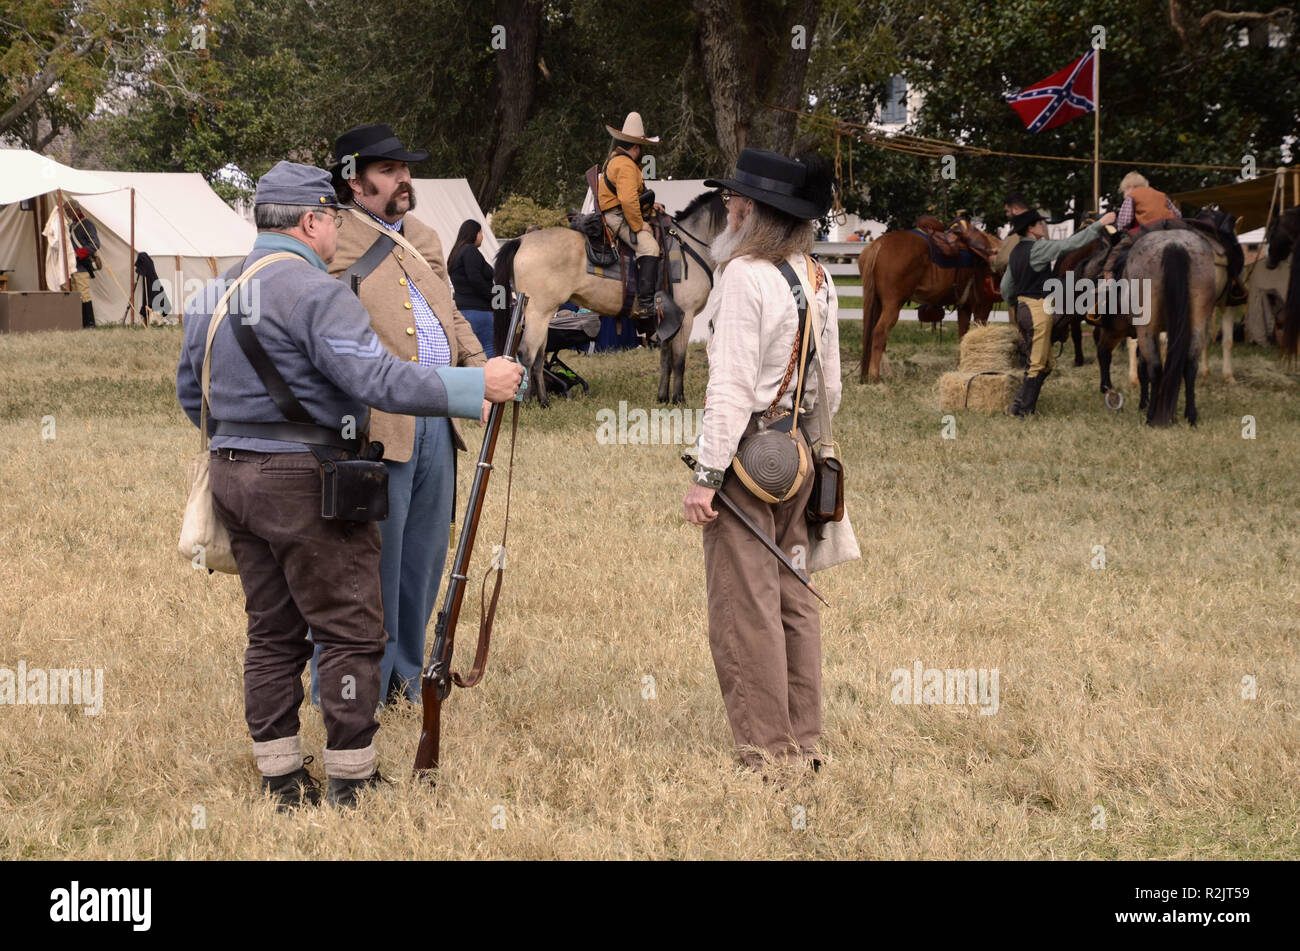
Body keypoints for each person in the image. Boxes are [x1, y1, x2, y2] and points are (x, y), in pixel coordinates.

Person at [175, 161, 523, 808]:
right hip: (307, 480)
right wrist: (476, 385)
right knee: (349, 630)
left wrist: (248, 440)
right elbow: (379, 382)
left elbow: (191, 394)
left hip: (232, 475)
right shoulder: (316, 292)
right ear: (311, 220)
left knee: (273, 630)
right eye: (332, 218)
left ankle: (280, 774)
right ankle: (351, 777)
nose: (337, 229)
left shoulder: (214, 292)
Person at [317, 123, 491, 708]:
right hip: (372, 426)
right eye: (389, 170)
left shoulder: (422, 236)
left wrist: (481, 369)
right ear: (353, 178)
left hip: (439, 418)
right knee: (371, 566)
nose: (404, 179)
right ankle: (356, 680)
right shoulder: (329, 238)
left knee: (422, 558)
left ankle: (407, 678)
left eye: (405, 169)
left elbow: (450, 315)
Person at [683, 149, 841, 773]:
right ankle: (804, 741)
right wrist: (813, 445)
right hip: (799, 452)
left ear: (755, 212)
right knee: (792, 600)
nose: (727, 205)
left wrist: (706, 476)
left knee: (746, 606)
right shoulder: (815, 274)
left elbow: (729, 389)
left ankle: (768, 752)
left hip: (749, 459)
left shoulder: (746, 275)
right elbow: (830, 383)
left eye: (734, 199)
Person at [1001, 207, 1115, 416]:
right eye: (1039, 223)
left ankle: (1019, 406)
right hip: (1037, 311)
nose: (1043, 226)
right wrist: (1100, 224)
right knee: (1037, 364)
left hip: (1023, 310)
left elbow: (1006, 288)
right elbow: (1070, 244)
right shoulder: (1038, 249)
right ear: (1030, 228)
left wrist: (1016, 304)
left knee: (1046, 363)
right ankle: (1022, 411)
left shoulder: (1015, 252)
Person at [596, 112, 662, 328]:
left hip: (619, 212)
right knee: (650, 247)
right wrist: (639, 224)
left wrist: (652, 206)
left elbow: (633, 195)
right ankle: (645, 306)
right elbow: (627, 200)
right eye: (642, 148)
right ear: (636, 147)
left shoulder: (618, 160)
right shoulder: (625, 165)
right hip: (618, 217)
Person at [1102, 171, 1183, 278]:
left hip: (1148, 230)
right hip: (1171, 228)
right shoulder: (1161, 195)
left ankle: (1107, 274)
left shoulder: (1132, 195)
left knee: (1117, 250)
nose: (1124, 194)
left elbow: (1124, 222)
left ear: (1130, 187)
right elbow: (1178, 215)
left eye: (1123, 190)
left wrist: (1121, 229)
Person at [448, 220, 497, 357]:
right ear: (475, 233)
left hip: (461, 311)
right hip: (479, 312)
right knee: (488, 352)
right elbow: (475, 279)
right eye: (481, 233)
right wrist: (493, 298)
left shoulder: (455, 253)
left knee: (469, 355)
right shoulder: (470, 251)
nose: (482, 237)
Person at [991, 192, 1030, 281]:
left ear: (1015, 209)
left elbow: (1003, 260)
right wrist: (1001, 250)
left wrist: (993, 260)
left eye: (1007, 211)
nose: (1007, 214)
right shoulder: (1039, 222)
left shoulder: (1019, 226)